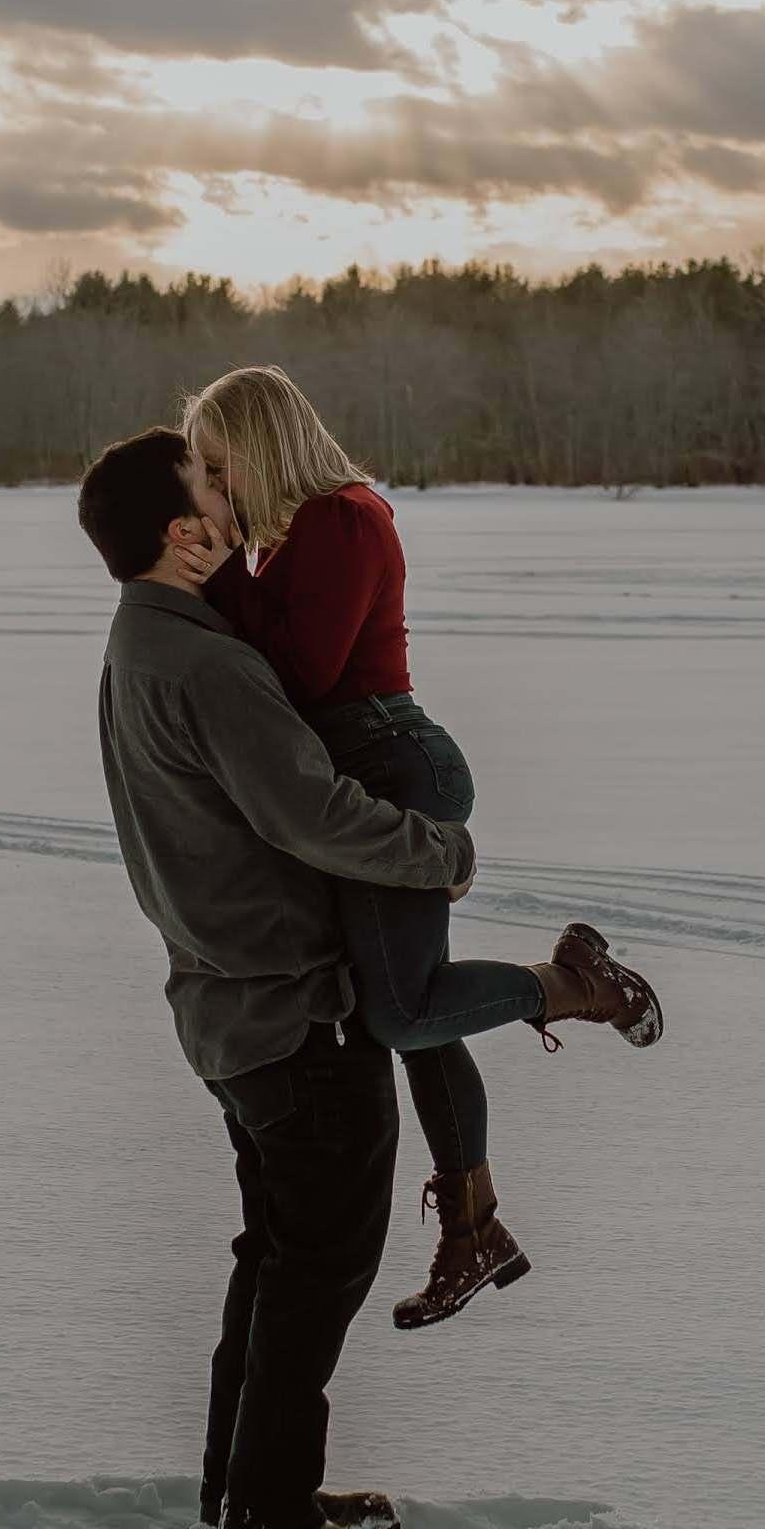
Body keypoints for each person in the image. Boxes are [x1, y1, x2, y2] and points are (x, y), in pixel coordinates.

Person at [182, 365, 662, 1333]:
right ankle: (474, 1227)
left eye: (217, 463)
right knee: (400, 1006)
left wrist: (210, 572)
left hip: (394, 767)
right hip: (347, 775)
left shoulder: (344, 518)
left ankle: (576, 982)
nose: (211, 485)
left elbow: (303, 671)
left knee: (400, 1012)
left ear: (261, 443)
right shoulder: (286, 533)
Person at [79, 422, 467, 1529]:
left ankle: (243, 1485)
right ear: (183, 532)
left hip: (230, 1007)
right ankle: (271, 1519)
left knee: (276, 1257)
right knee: (319, 1266)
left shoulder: (146, 640)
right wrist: (435, 853)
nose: (232, 487)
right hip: (288, 1011)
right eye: (210, 480)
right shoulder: (205, 662)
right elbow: (310, 812)